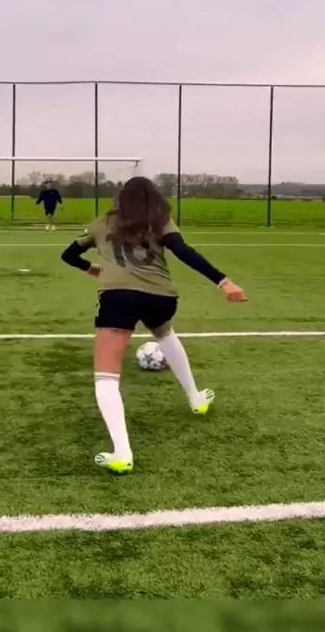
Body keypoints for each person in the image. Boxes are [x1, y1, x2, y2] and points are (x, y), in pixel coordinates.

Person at [61, 176, 246, 474]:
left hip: (118, 297)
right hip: (161, 297)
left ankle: (122, 453)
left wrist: (92, 269)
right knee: (165, 334)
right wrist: (223, 282)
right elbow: (184, 251)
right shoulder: (160, 220)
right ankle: (195, 398)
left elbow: (68, 255)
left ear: (121, 198)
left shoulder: (101, 223)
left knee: (106, 377)